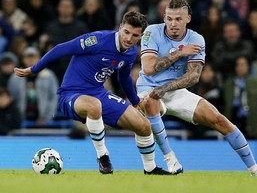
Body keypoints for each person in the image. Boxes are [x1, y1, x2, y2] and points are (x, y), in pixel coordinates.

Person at [14, 11, 171, 175]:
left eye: (135, 35)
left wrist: (134, 100)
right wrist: (34, 69)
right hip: (71, 94)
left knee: (144, 125)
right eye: (126, 32)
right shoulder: (97, 40)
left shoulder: (131, 53)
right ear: (120, 28)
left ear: (140, 37)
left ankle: (150, 168)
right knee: (94, 106)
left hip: (99, 93)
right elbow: (61, 49)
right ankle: (103, 156)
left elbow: (123, 77)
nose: (129, 38)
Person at [136, 0, 257, 177]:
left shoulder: (196, 39)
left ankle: (254, 169)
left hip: (175, 91)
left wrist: (165, 89)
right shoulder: (152, 32)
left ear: (188, 18)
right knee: (150, 100)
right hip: (148, 88)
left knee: (219, 119)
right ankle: (171, 159)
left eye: (178, 19)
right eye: (169, 19)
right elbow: (148, 68)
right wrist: (179, 53)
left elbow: (193, 77)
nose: (173, 24)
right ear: (164, 18)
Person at [8, 47, 59, 127]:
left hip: (43, 120)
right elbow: (11, 98)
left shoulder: (49, 75)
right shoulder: (15, 76)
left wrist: (47, 118)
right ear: (23, 59)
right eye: (28, 57)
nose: (30, 60)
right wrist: (17, 118)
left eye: (33, 57)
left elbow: (54, 97)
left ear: (39, 58)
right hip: (20, 119)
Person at [223, 56, 257, 139]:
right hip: (233, 119)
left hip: (250, 120)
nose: (240, 67)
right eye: (238, 65)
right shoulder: (228, 84)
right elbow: (225, 102)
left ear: (248, 67)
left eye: (243, 65)